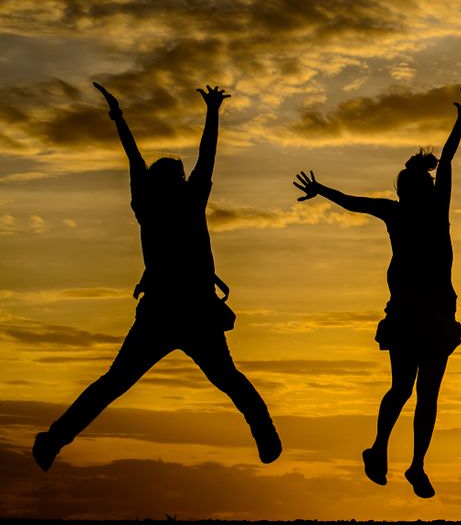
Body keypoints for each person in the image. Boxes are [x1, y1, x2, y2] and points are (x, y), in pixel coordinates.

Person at [33, 83, 281, 471]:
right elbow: (204, 157)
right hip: (186, 313)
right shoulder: (182, 200)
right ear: (179, 181)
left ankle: (53, 440)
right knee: (228, 380)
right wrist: (212, 112)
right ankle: (265, 435)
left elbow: (135, 159)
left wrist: (119, 117)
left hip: (172, 314)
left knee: (114, 383)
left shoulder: (148, 204)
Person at [293, 87, 461, 498]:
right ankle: (380, 451)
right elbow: (355, 202)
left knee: (422, 394)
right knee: (406, 390)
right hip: (411, 315)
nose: (429, 186)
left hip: (434, 315)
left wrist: (460, 122)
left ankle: (414, 465)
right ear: (409, 190)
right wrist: (323, 191)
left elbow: (445, 162)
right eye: (422, 184)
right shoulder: (401, 212)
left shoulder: (428, 209)